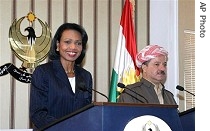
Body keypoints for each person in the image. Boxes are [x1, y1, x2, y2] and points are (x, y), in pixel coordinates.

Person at [29, 23, 93, 129]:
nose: (73, 47)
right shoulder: (43, 72)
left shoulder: (86, 76)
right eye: (67, 42)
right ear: (58, 45)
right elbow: (38, 114)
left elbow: (86, 112)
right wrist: (66, 127)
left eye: (78, 43)